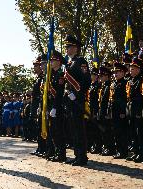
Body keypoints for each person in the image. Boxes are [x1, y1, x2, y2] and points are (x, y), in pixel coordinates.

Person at [63, 34, 91, 166]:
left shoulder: (81, 62)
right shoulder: (69, 63)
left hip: (77, 100)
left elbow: (86, 81)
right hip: (70, 101)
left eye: (69, 46)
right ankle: (77, 155)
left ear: (76, 48)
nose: (67, 49)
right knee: (73, 129)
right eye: (66, 47)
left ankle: (82, 156)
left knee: (79, 129)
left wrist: (77, 94)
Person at [126, 57, 143, 162]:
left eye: (133, 69)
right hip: (131, 109)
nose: (131, 70)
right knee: (133, 132)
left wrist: (139, 111)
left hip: (138, 109)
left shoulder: (140, 80)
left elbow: (140, 97)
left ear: (138, 69)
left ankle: (142, 153)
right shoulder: (131, 80)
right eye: (130, 69)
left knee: (140, 133)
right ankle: (136, 152)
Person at [110, 63, 128, 159]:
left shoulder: (125, 83)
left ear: (123, 73)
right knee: (116, 131)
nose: (115, 74)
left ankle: (123, 151)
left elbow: (124, 99)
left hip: (121, 111)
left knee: (122, 132)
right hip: (114, 110)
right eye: (114, 72)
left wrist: (122, 111)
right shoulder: (114, 83)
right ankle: (118, 150)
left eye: (118, 72)